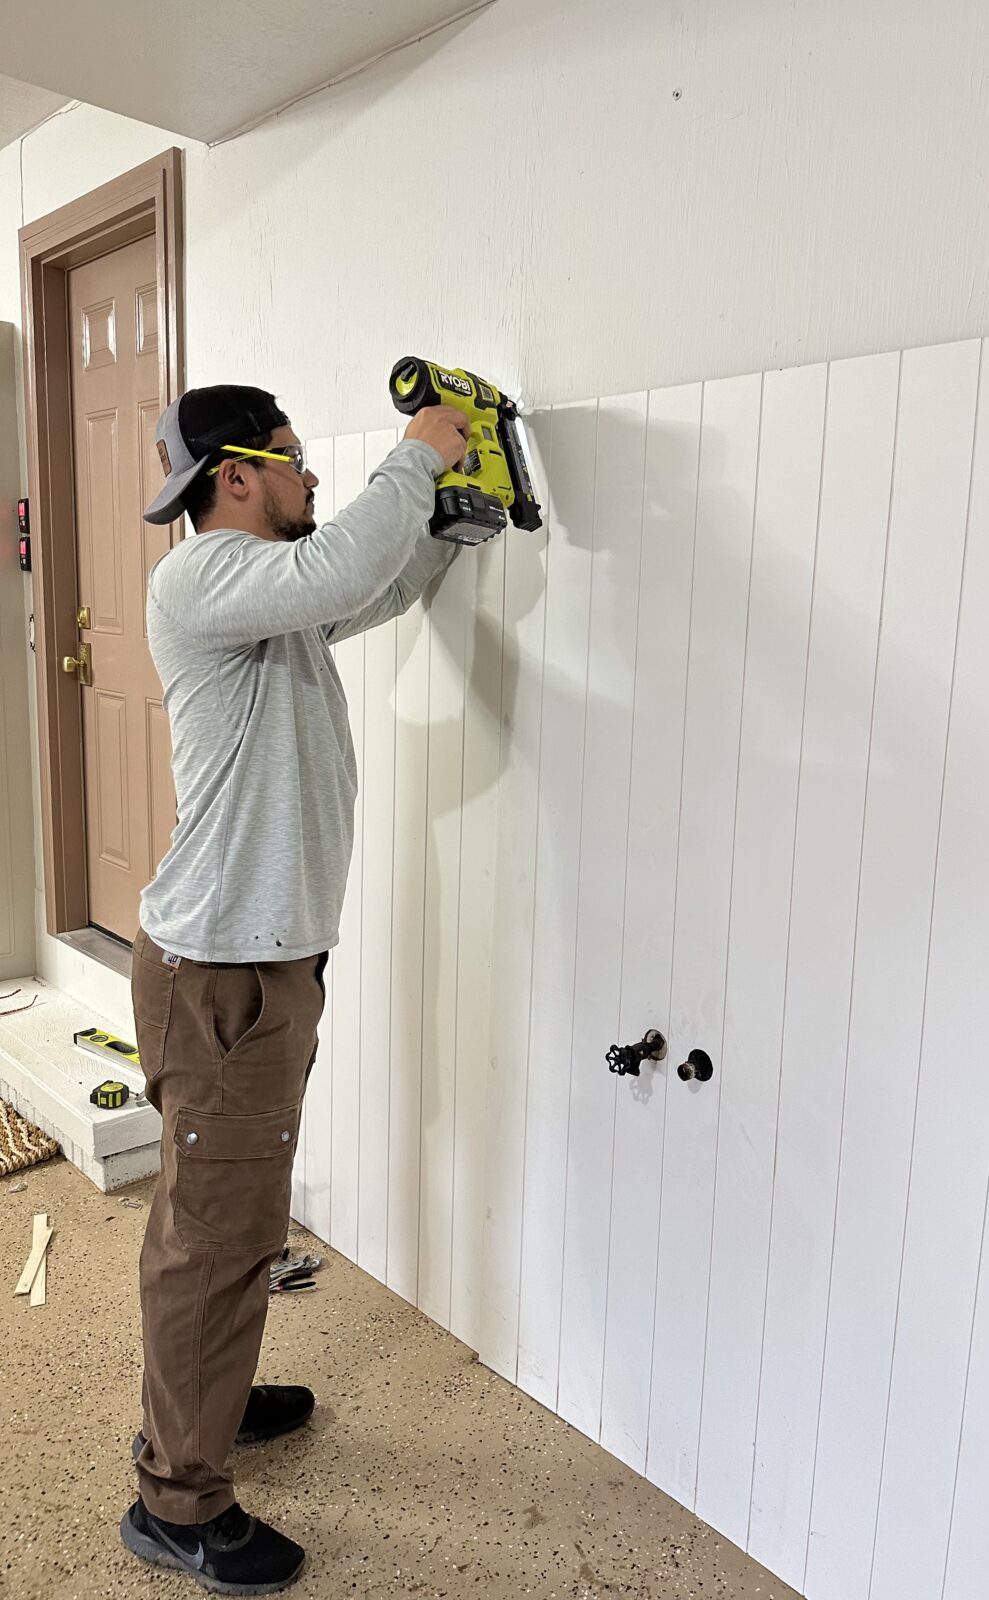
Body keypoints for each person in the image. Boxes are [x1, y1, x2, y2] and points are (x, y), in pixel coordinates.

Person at [119, 382, 469, 1592]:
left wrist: (445, 525)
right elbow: (338, 570)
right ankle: (176, 1498)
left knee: (229, 1226)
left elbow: (367, 582)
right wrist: (419, 456)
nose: (312, 478)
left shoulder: (270, 606)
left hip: (259, 969)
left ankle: (200, 1405)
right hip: (223, 979)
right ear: (236, 475)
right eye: (296, 461)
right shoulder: (202, 577)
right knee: (215, 1241)